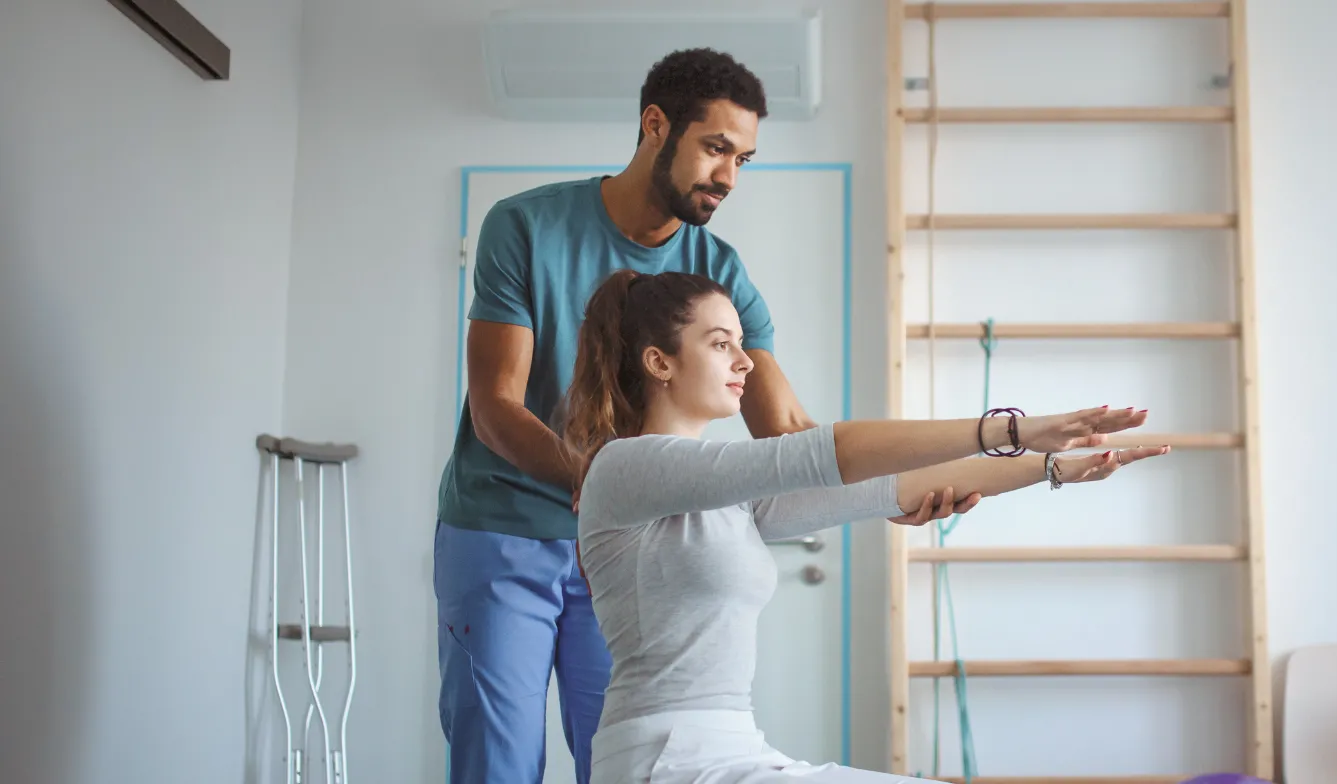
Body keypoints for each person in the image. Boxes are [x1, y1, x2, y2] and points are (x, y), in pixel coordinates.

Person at [433, 48, 975, 784]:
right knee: (498, 762)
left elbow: (788, 436)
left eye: (743, 159)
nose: (728, 177)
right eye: (715, 148)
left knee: (616, 756)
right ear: (656, 126)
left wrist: (891, 490)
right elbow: (496, 407)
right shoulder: (524, 226)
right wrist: (609, 485)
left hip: (633, 549)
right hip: (504, 531)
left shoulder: (719, 272)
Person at [560, 269, 1171, 783]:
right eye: (721, 344)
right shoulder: (624, 467)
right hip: (666, 759)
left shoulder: (729, 497)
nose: (746, 361)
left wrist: (1054, 467)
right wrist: (1012, 429)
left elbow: (890, 487)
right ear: (659, 361)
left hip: (731, 751)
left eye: (742, 342)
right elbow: (828, 452)